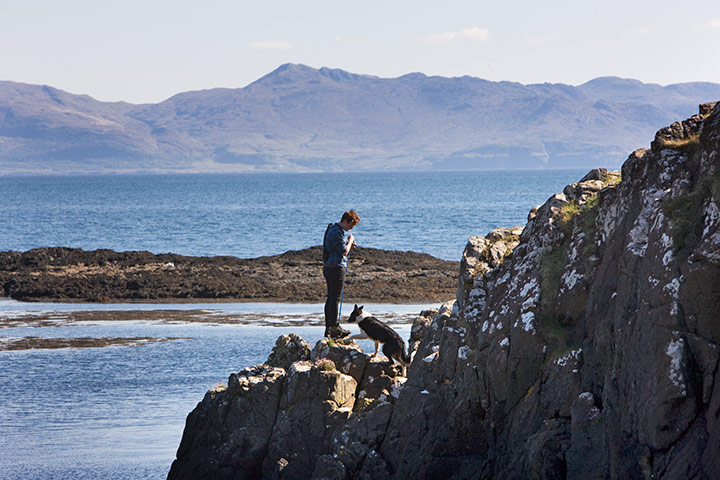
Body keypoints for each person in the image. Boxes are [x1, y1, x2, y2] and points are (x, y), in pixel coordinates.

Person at [322, 210, 360, 338]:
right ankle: (334, 327)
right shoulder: (337, 231)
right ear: (345, 221)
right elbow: (344, 251)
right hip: (335, 268)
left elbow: (338, 247)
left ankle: (329, 327)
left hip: (329, 266)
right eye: (351, 225)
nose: (351, 228)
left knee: (331, 298)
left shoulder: (332, 229)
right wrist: (350, 241)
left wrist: (348, 244)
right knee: (335, 299)